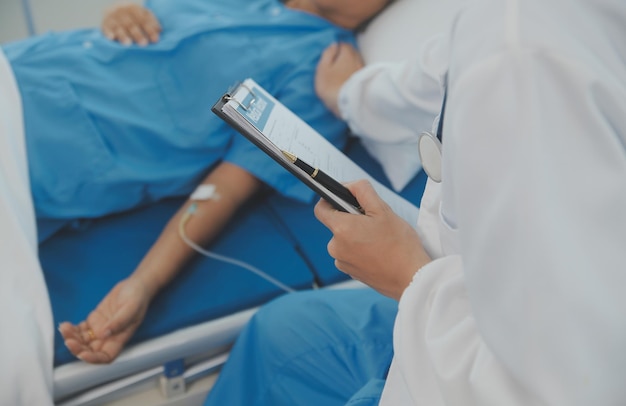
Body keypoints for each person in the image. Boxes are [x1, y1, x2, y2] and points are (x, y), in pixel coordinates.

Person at [204, 0, 626, 404]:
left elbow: (563, 389)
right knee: (278, 332)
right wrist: (348, 93)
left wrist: (407, 275)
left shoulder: (521, 57)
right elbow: (433, 77)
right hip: (460, 306)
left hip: (474, 363)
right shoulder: (504, 30)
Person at [1, 0, 392, 365]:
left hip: (34, 152)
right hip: (19, 68)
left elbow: (227, 189)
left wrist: (143, 284)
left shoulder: (322, 68)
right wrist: (124, 11)